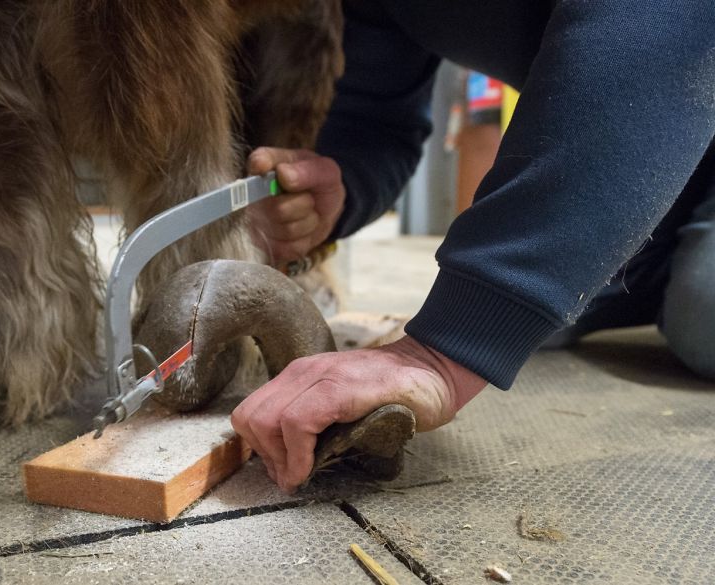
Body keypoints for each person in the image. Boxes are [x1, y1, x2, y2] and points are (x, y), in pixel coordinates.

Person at [231, 0, 715, 493]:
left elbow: (665, 24)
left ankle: (640, 259)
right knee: (542, 310)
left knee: (704, 310)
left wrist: (444, 353)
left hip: (682, 93)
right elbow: (374, 118)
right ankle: (627, 249)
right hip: (659, 143)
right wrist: (343, 186)